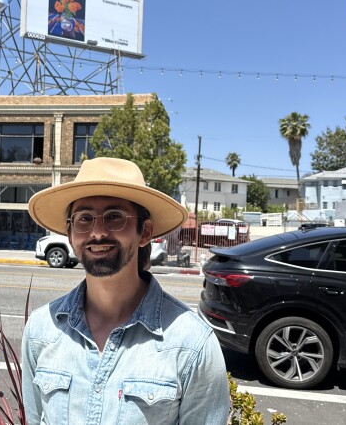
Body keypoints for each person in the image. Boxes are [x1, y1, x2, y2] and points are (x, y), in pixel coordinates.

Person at [22, 157, 229, 424]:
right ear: (71, 234)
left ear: (145, 232)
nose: (97, 232)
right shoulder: (42, 330)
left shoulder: (191, 343)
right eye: (84, 218)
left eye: (114, 217)